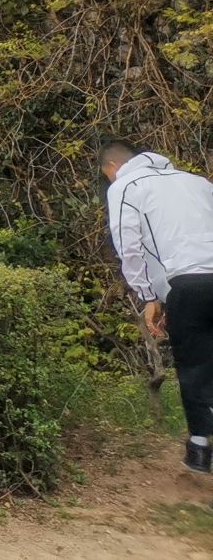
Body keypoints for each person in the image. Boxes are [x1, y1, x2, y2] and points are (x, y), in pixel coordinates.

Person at [102, 141, 213, 471]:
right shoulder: (197, 182)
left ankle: (199, 450)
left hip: (188, 284)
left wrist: (148, 296)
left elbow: (129, 246)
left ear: (111, 168)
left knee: (194, 365)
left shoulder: (124, 185)